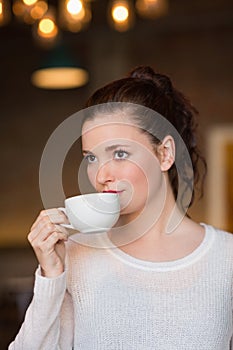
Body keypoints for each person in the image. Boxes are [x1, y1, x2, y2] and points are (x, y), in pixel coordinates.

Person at [9, 66, 233, 350]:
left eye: (120, 153)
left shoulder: (227, 259)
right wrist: (52, 276)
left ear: (164, 154)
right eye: (91, 158)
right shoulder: (76, 256)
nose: (101, 175)